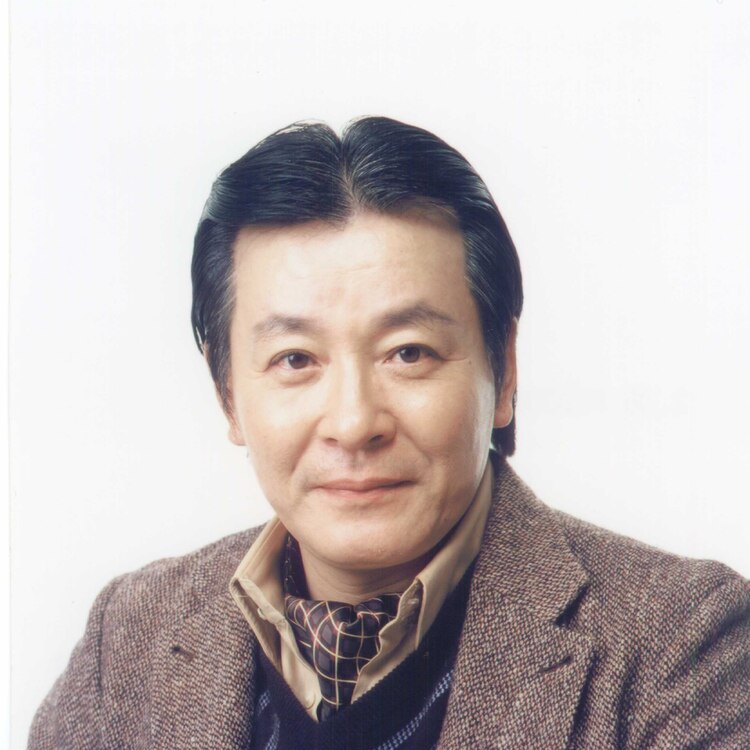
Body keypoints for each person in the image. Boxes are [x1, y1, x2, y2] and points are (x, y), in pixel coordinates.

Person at [29, 117, 750, 749]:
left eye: (408, 353)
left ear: (503, 370)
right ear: (228, 396)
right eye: (295, 360)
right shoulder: (129, 640)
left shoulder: (680, 642)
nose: (353, 423)